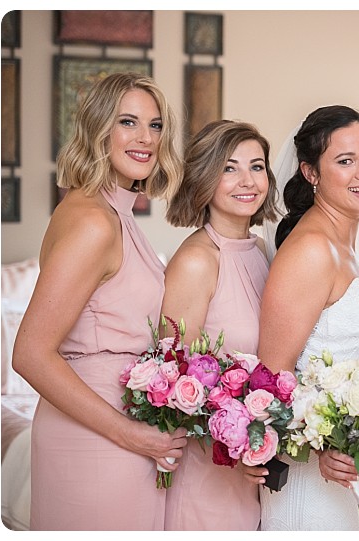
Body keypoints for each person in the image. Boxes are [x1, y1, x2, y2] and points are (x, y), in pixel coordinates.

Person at [11, 72, 186, 530]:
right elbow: (30, 353)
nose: (145, 138)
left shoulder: (112, 213)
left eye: (155, 125)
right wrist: (131, 434)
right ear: (97, 129)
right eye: (128, 122)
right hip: (98, 438)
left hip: (117, 432)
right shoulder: (93, 221)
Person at [245, 105, 359, 530]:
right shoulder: (310, 250)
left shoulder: (343, 245)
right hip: (314, 481)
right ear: (311, 173)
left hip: (353, 474)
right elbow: (271, 380)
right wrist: (318, 447)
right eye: (345, 161)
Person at [160, 120, 280, 530]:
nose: (248, 180)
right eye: (230, 168)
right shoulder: (197, 260)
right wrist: (230, 446)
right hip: (207, 472)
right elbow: (170, 380)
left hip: (253, 471)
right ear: (205, 177)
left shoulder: (263, 251)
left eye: (257, 166)